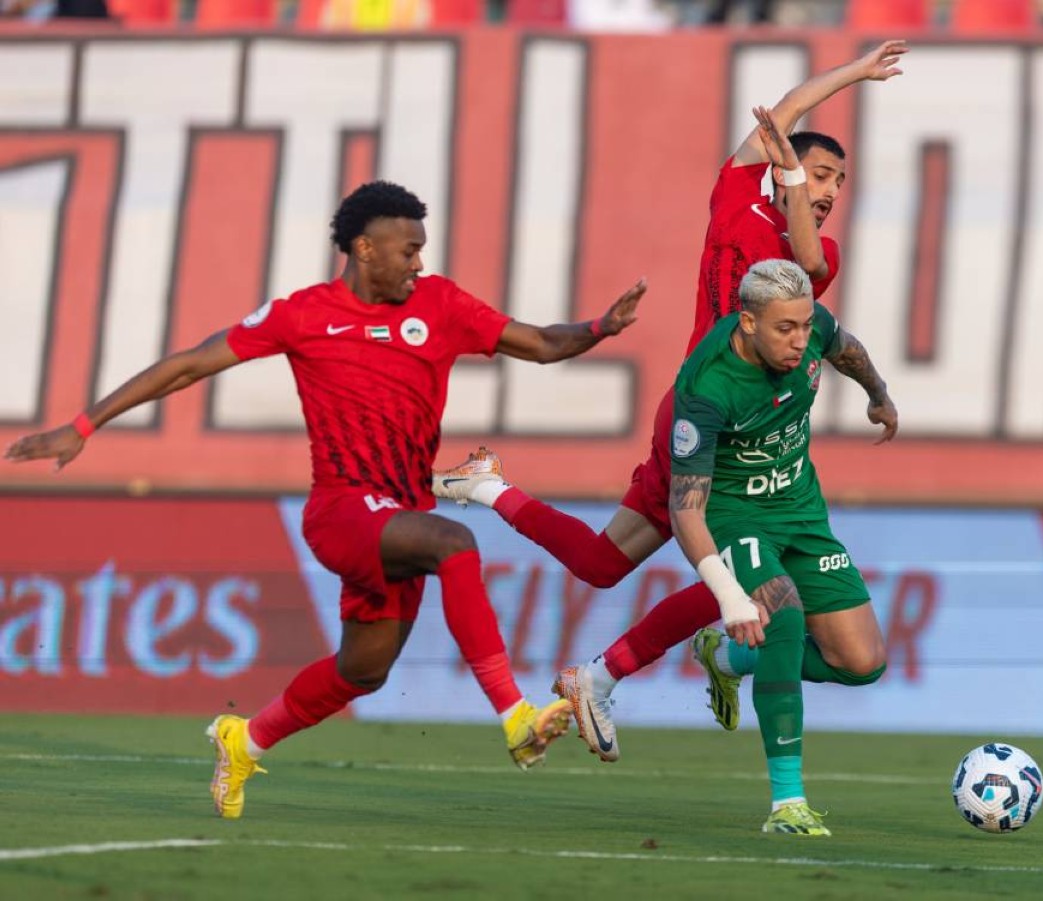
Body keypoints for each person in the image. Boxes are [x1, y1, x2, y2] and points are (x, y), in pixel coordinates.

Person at [4, 180, 647, 819]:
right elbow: (191, 363)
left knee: (362, 671)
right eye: (408, 250)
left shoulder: (441, 304)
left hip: (401, 513)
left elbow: (542, 343)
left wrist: (600, 327)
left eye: (422, 249)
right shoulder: (302, 314)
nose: (419, 262)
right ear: (364, 248)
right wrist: (84, 425)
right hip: (342, 510)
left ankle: (243, 740)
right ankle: (515, 716)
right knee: (455, 542)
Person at [433, 42, 904, 764]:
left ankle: (490, 488)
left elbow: (809, 262)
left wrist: (793, 176)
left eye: (840, 180)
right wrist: (855, 72)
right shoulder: (736, 194)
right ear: (784, 165)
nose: (831, 188)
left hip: (742, 427)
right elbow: (786, 110)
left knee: (608, 564)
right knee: (741, 575)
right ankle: (620, 671)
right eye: (821, 172)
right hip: (705, 414)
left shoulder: (816, 254)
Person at [670, 257, 891, 835]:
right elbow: (684, 509)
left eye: (805, 325)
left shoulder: (811, 329)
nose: (799, 340)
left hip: (802, 510)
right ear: (748, 323)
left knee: (862, 663)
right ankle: (787, 804)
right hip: (735, 514)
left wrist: (878, 394)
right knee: (784, 617)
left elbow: (848, 349)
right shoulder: (707, 385)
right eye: (784, 329)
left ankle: (724, 657)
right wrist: (729, 596)